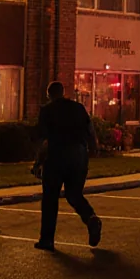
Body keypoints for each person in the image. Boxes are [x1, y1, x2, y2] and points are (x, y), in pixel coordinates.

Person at [33, 81, 103, 251]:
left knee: (50, 198)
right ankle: (91, 218)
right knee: (74, 194)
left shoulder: (47, 111)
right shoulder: (78, 108)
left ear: (49, 95)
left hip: (56, 157)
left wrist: (38, 162)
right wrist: (94, 147)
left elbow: (44, 140)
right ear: (63, 92)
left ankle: (47, 239)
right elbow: (90, 130)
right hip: (79, 156)